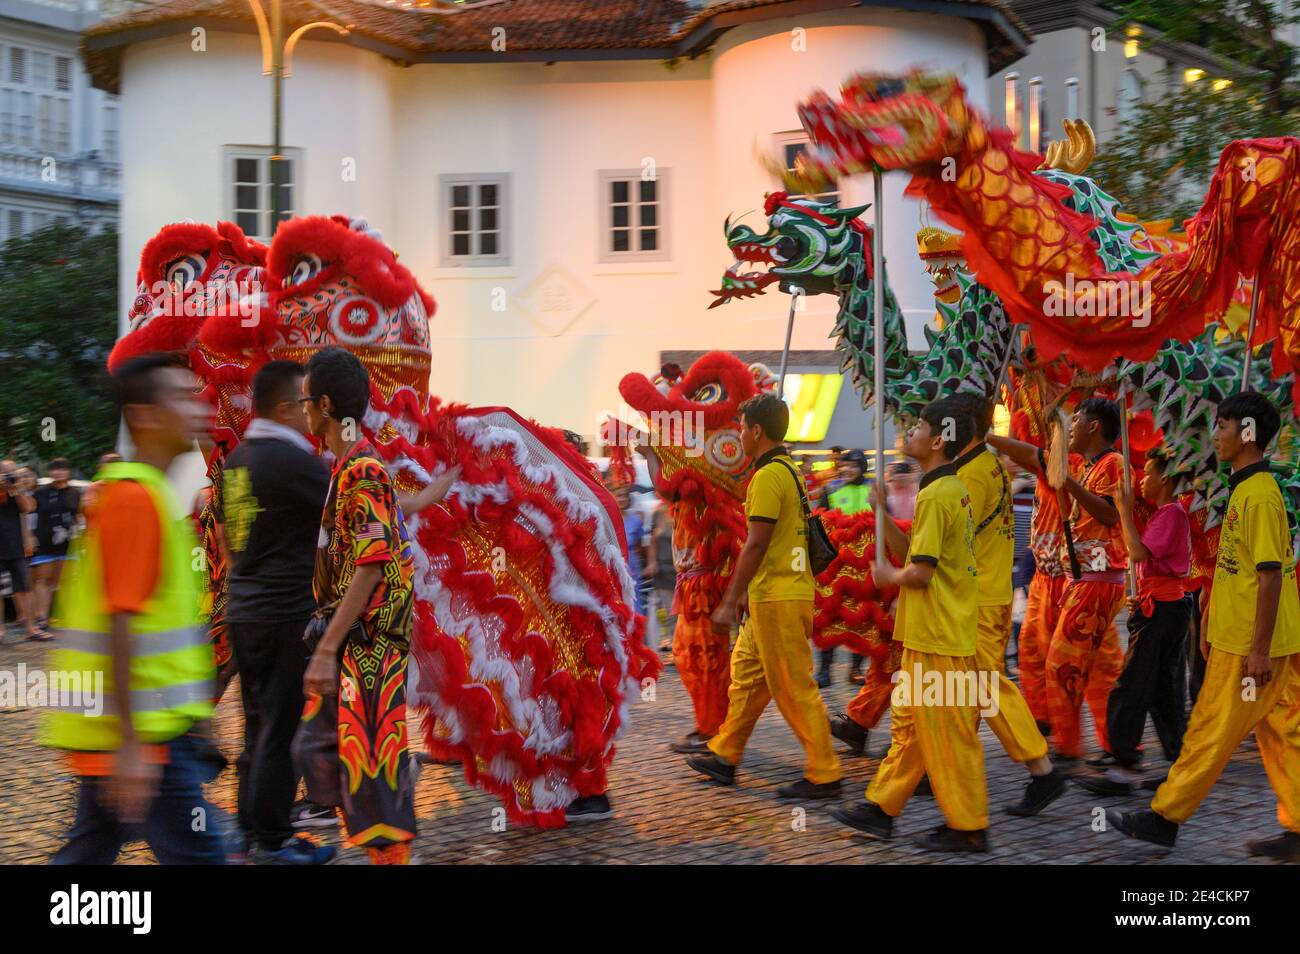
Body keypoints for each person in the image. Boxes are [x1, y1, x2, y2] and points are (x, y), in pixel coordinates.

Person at [41, 353, 225, 864]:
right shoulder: (134, 500)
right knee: (203, 854)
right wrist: (130, 746)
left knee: (89, 853)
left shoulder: (147, 496)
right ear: (144, 416)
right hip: (143, 736)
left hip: (148, 729)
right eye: (181, 396)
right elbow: (121, 622)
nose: (199, 406)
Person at [1107, 392, 1300, 861]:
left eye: (1224, 426)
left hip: (1253, 647)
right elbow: (1243, 571)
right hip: (1262, 640)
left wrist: (1255, 650)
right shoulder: (1246, 489)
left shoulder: (1258, 496)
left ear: (1248, 434)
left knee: (1210, 730)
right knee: (1281, 733)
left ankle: (1165, 817)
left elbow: (1271, 575)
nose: (1216, 434)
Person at [830, 396, 988, 852]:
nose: (911, 430)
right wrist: (881, 511)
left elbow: (918, 571)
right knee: (914, 728)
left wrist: (888, 578)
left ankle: (969, 825)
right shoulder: (939, 488)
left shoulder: (939, 494)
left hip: (939, 634)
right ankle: (881, 808)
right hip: (929, 632)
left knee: (948, 734)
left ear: (939, 439)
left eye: (919, 425)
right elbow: (914, 551)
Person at [685, 393, 842, 799]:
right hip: (774, 595)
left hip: (778, 596)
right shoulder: (787, 469)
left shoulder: (770, 476)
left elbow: (756, 544)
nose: (738, 433)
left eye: (741, 426)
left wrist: (728, 599)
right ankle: (725, 754)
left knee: (793, 685)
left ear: (756, 431)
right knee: (748, 679)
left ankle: (824, 773)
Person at [299, 346, 418, 864]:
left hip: (370, 650)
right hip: (361, 647)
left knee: (375, 772)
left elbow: (371, 565)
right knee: (359, 766)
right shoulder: (351, 467)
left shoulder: (362, 471)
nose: (302, 411)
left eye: (305, 401)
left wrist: (327, 649)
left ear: (325, 405)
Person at [222, 361, 336, 864]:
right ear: (288, 406)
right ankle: (273, 841)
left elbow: (230, 536)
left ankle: (251, 833)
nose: (312, 413)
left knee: (257, 726)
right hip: (285, 612)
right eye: (308, 403)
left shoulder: (239, 458)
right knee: (282, 729)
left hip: (245, 610)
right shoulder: (293, 462)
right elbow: (358, 505)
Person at [991, 397, 1129, 762]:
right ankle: (1053, 730)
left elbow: (1109, 515)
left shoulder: (1082, 464)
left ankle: (1112, 747)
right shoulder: (1072, 464)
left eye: (1076, 420)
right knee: (1037, 658)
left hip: (1088, 582)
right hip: (1052, 577)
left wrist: (987, 436)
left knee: (1089, 667)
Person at [950, 394, 1065, 816]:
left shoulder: (974, 474)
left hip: (979, 598)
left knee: (986, 685)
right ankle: (934, 768)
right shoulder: (987, 468)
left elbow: (952, 542)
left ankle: (1042, 768)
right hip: (989, 594)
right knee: (963, 687)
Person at [1076, 445, 1191, 797]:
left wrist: (1124, 509)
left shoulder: (1171, 513)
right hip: (1161, 605)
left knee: (1132, 685)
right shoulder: (1165, 513)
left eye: (1150, 473)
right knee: (1161, 689)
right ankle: (1180, 763)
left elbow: (1137, 551)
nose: (1143, 481)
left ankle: (1123, 766)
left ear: (1166, 479)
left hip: (1162, 611)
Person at [818, 449, 872, 687]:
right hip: (836, 563)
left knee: (863, 618)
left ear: (863, 467)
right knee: (829, 617)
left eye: (853, 466)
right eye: (844, 466)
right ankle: (824, 670)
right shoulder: (830, 490)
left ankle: (855, 670)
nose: (847, 470)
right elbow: (820, 523)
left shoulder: (874, 489)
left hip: (864, 565)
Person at [31, 458, 81, 638]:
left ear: (68, 472)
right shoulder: (41, 493)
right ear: (49, 472)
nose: (58, 472)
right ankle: (41, 618)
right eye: (54, 469)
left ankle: (65, 617)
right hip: (44, 541)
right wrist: (30, 537)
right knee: (42, 581)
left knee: (63, 582)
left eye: (62, 469)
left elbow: (79, 517)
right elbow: (32, 515)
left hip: (68, 542)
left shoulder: (75, 493)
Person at [0, 459, 38, 642]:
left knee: (24, 587)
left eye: (11, 473)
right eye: (5, 473)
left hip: (16, 546)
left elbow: (27, 508)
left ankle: (31, 628)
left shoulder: (17, 490)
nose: (8, 476)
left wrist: (14, 488)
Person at [646, 504, 677, 653]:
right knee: (670, 611)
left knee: (680, 612)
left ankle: (680, 645)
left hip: (680, 568)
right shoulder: (657, 512)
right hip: (664, 570)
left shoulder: (681, 511)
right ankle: (674, 645)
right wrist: (652, 563)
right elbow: (652, 542)